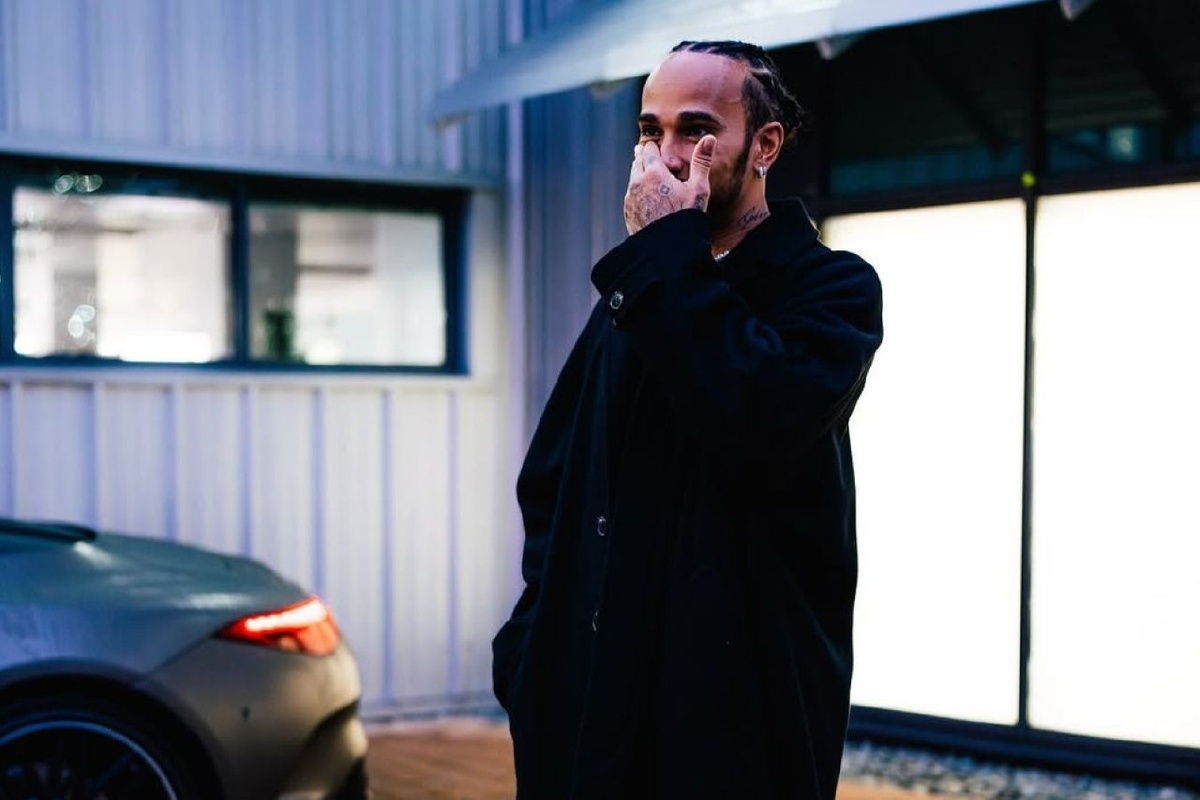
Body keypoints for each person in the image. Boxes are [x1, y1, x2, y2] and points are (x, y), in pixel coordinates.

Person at [493, 40, 884, 799]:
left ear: (765, 145)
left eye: (696, 129)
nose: (667, 154)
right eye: (651, 130)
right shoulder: (635, 294)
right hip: (586, 713)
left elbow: (758, 418)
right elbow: (552, 481)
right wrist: (530, 654)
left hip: (731, 723)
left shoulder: (831, 287)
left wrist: (666, 251)